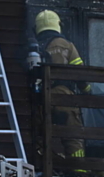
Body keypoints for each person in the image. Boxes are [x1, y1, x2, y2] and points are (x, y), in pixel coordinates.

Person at [35, 10, 91, 159]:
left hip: (39, 98)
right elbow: (79, 73)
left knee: (39, 135)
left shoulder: (34, 46)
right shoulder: (66, 45)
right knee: (72, 134)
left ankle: (41, 164)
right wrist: (87, 90)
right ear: (58, 25)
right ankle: (78, 168)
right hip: (64, 97)